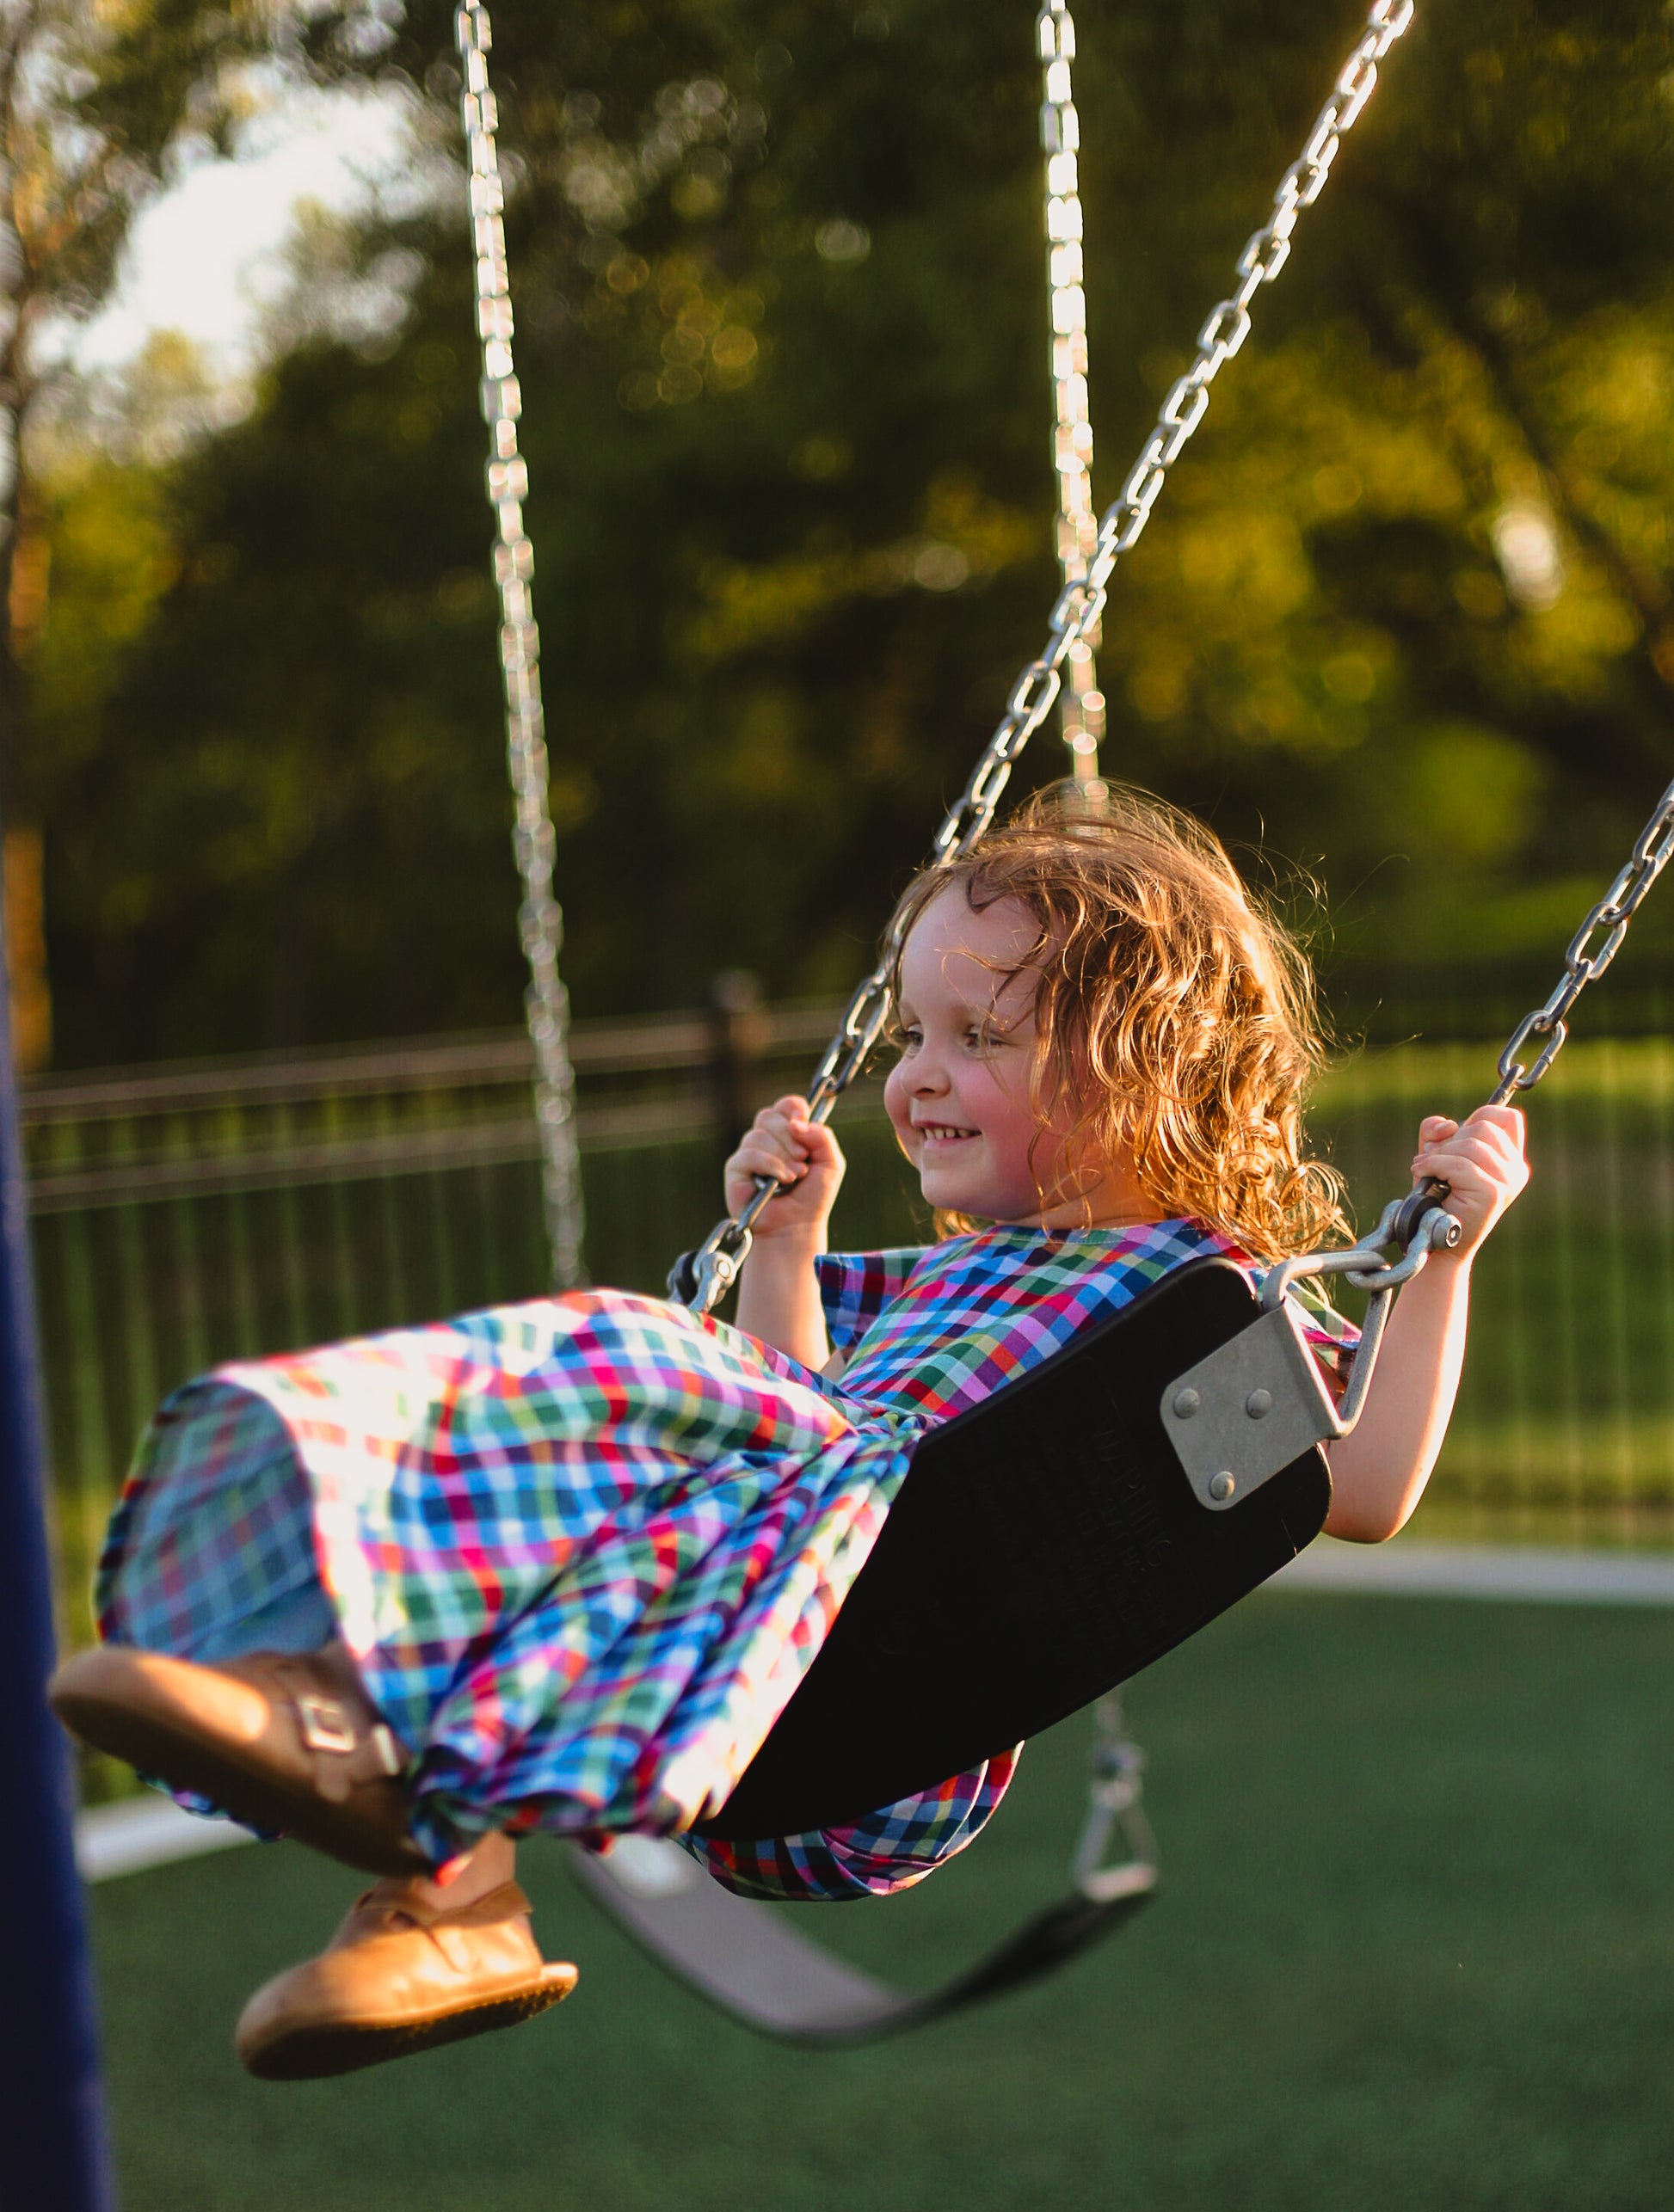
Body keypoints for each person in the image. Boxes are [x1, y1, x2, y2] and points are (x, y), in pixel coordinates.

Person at [51, 787, 1528, 2080]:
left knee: (627, 1366)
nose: (919, 1073)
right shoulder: (938, 1277)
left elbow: (1367, 1486)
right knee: (610, 1466)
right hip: (760, 1657)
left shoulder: (1198, 1307)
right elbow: (785, 1421)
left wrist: (1443, 1258)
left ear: (1144, 1062)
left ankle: (360, 1740)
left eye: (979, 1035)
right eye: (913, 1033)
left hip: (894, 1686)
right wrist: (785, 1254)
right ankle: (445, 1897)